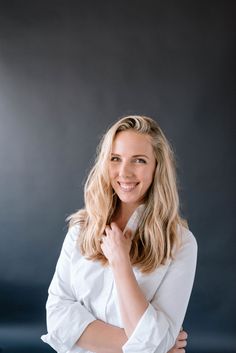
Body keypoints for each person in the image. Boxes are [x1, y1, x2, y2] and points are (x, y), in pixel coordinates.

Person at [41, 115, 197, 353]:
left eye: (139, 161)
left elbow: (156, 340)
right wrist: (153, 347)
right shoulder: (81, 229)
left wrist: (121, 262)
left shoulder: (180, 243)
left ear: (157, 167)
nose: (124, 172)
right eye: (115, 158)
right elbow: (57, 317)